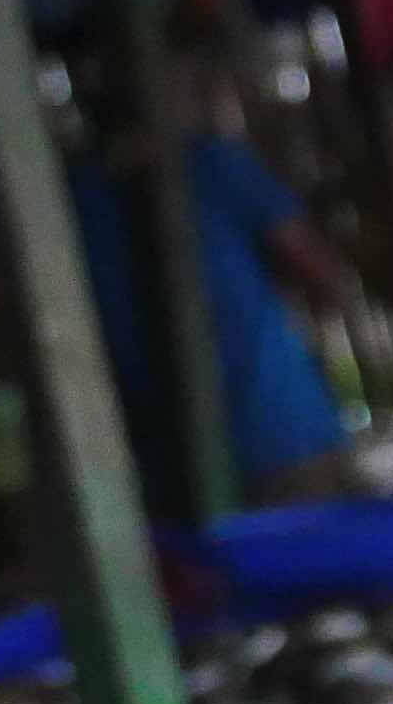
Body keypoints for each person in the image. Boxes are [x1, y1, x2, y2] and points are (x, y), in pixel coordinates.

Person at [63, 101, 360, 507]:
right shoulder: (210, 161)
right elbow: (322, 278)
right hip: (278, 436)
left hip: (157, 461)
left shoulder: (70, 191)